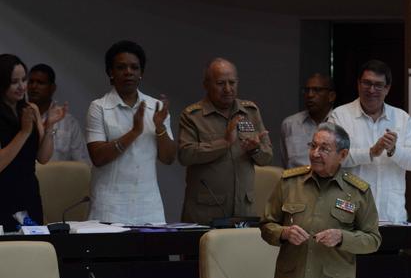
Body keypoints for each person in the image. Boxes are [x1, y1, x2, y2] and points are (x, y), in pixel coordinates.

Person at [260, 123, 381, 278]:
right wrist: (284, 233)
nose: (315, 153)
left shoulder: (358, 191)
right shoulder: (289, 183)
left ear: (342, 155)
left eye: (324, 149)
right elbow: (266, 225)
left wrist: (342, 237)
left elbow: (373, 240)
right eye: (313, 146)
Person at [86, 40, 176, 224]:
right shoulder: (99, 107)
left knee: (153, 253)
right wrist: (134, 132)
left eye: (134, 67)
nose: (128, 72)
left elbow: (168, 158)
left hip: (148, 207)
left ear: (141, 73)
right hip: (110, 207)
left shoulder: (156, 107)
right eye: (121, 67)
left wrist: (160, 128)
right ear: (111, 72)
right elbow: (98, 157)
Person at [179, 58, 272, 225]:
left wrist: (255, 149)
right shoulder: (193, 115)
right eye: (221, 83)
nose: (228, 89)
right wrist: (224, 142)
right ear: (206, 84)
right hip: (205, 213)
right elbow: (185, 155)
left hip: (243, 211)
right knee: (203, 252)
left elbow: (267, 157)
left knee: (241, 252)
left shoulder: (250, 111)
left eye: (232, 82)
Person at [330, 59, 411, 224]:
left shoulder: (401, 117)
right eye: (367, 83)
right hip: (350, 216)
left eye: (378, 85)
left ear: (387, 89)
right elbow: (331, 159)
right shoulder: (340, 116)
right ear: (358, 84)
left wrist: (394, 150)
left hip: (392, 215)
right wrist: (370, 152)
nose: (372, 90)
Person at [0, 54, 66, 231]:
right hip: (3, 192)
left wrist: (50, 125)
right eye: (14, 82)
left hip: (28, 190)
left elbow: (43, 157)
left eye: (24, 80)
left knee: (34, 240)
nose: (22, 86)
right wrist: (24, 132)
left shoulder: (31, 108)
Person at [28, 63, 90, 163]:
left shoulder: (68, 123)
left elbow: (82, 164)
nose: (34, 86)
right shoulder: (17, 116)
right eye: (31, 82)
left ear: (52, 88)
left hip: (57, 178)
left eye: (40, 83)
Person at [280, 73, 335, 168]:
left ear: (331, 96)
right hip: (296, 181)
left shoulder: (341, 123)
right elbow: (285, 162)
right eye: (306, 90)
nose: (310, 95)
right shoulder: (290, 124)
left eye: (317, 90)